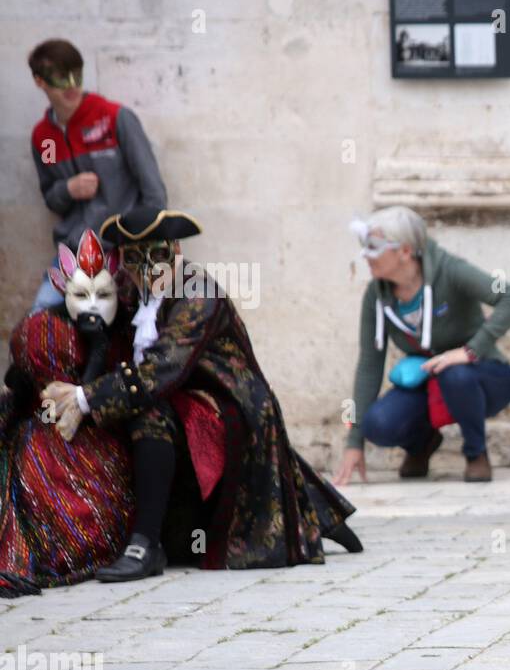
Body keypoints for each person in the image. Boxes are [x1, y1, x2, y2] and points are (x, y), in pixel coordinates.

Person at [41, 206, 361, 582]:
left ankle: (145, 546)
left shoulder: (198, 293)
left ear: (174, 251)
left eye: (157, 255)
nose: (148, 269)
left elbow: (162, 369)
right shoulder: (129, 288)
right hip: (173, 396)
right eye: (134, 258)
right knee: (131, 411)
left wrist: (85, 398)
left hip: (224, 404)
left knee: (148, 415)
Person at [333, 207, 510, 485]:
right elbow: (369, 364)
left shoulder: (450, 270)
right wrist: (354, 442)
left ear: (405, 251)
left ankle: (476, 454)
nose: (366, 255)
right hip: (428, 380)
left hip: (482, 376)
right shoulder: (376, 295)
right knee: (378, 424)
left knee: (455, 374)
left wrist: (469, 351)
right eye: (364, 246)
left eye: (374, 247)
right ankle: (421, 444)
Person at [0, 230, 134, 596]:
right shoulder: (40, 333)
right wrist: (94, 352)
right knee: (38, 463)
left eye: (103, 294)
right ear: (62, 290)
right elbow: (59, 410)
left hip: (103, 441)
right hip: (48, 435)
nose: (92, 304)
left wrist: (103, 345)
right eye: (81, 294)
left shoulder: (125, 333)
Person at [28, 39, 167, 312]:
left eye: (76, 74)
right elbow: (51, 197)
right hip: (75, 257)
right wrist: (68, 189)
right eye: (60, 76)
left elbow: (155, 195)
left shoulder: (115, 118)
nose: (71, 85)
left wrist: (139, 252)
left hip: (124, 253)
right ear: (40, 81)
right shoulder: (45, 138)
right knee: (38, 322)